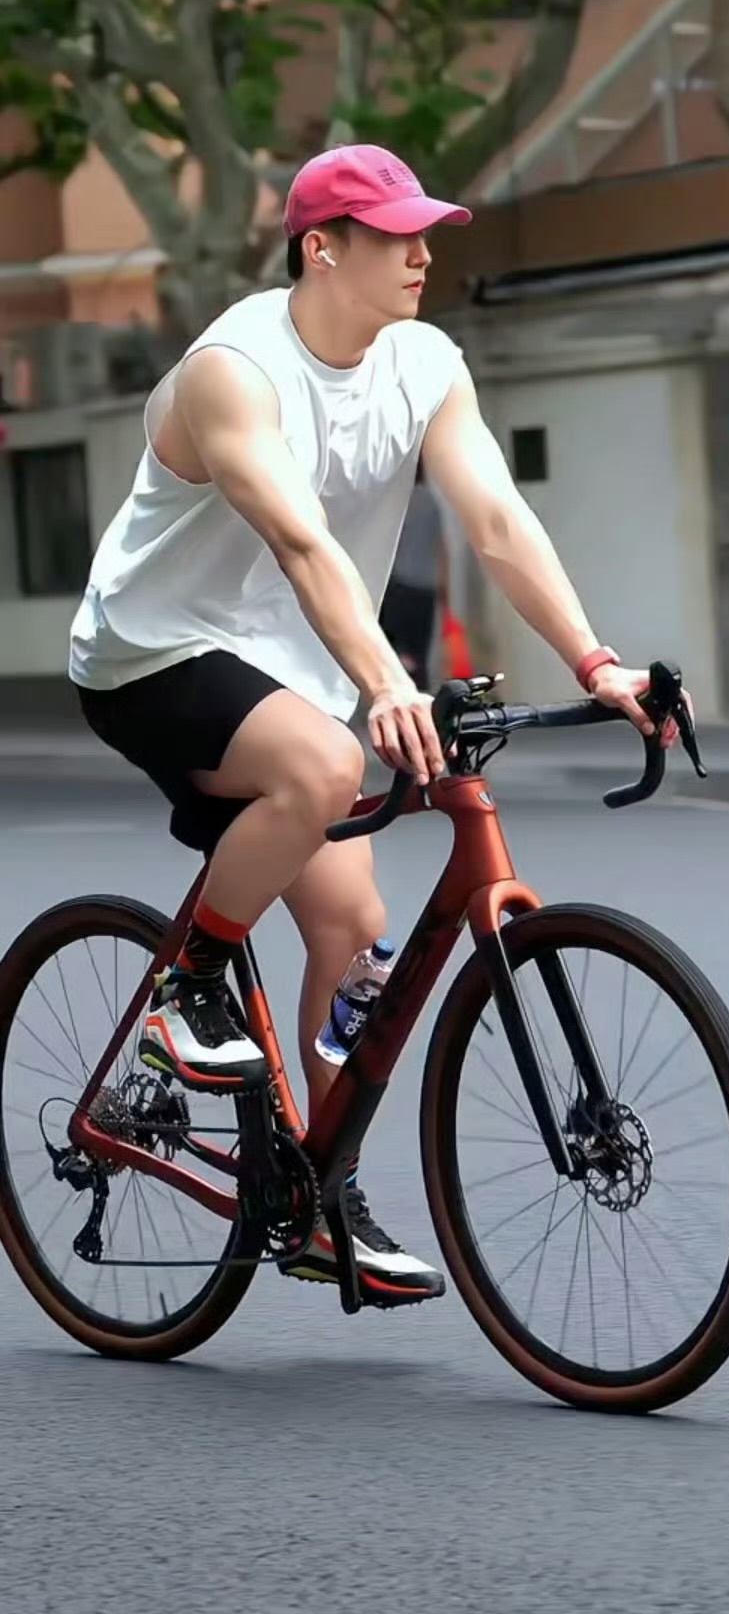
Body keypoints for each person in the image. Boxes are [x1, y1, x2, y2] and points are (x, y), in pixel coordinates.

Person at [69, 142, 676, 1306]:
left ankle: (315, 1195)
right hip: (152, 652)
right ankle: (185, 990)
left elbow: (497, 520)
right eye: (397, 236)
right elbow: (300, 543)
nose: (422, 255)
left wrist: (597, 661)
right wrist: (386, 684)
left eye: (426, 233)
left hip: (296, 670)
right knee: (322, 761)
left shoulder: (425, 364)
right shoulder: (234, 370)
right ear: (322, 247)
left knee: (356, 936)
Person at [379, 461, 446, 691]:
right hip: (426, 587)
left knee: (395, 648)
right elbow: (441, 548)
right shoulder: (432, 503)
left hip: (399, 584)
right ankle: (421, 694)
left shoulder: (398, 502)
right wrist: (444, 586)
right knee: (419, 649)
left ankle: (397, 691)